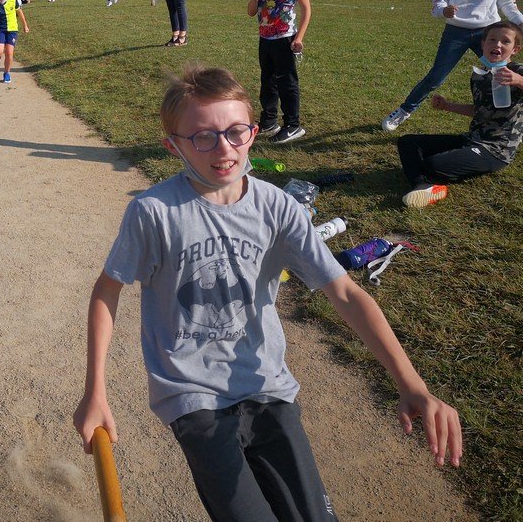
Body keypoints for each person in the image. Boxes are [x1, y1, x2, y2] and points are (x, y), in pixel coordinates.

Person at [73, 64, 461, 522]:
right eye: (202, 137)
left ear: (253, 132)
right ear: (172, 144)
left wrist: (411, 383)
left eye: (236, 132)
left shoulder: (277, 207)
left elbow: (346, 292)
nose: (223, 148)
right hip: (193, 394)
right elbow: (107, 291)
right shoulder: (153, 212)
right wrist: (95, 391)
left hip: (268, 386)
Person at [382, 0, 523, 132]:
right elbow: (439, 1)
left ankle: (511, 123)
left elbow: (507, 1)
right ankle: (404, 110)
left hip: (490, 33)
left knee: (503, 78)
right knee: (435, 77)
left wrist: (519, 21)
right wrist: (444, 11)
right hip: (456, 31)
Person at [396, 21, 523, 207]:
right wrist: (447, 106)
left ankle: (424, 179)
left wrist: (519, 81)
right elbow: (480, 110)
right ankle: (424, 185)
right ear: (483, 44)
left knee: (433, 164)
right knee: (407, 142)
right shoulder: (480, 75)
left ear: (515, 49)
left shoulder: (517, 71)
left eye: (505, 41)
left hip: (496, 151)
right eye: (492, 40)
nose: (497, 45)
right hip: (471, 139)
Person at [247, 0, 311, 144]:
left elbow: (306, 10)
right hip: (265, 38)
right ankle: (269, 120)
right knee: (267, 81)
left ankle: (293, 125)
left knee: (287, 82)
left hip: (285, 39)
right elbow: (250, 12)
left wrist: (298, 38)